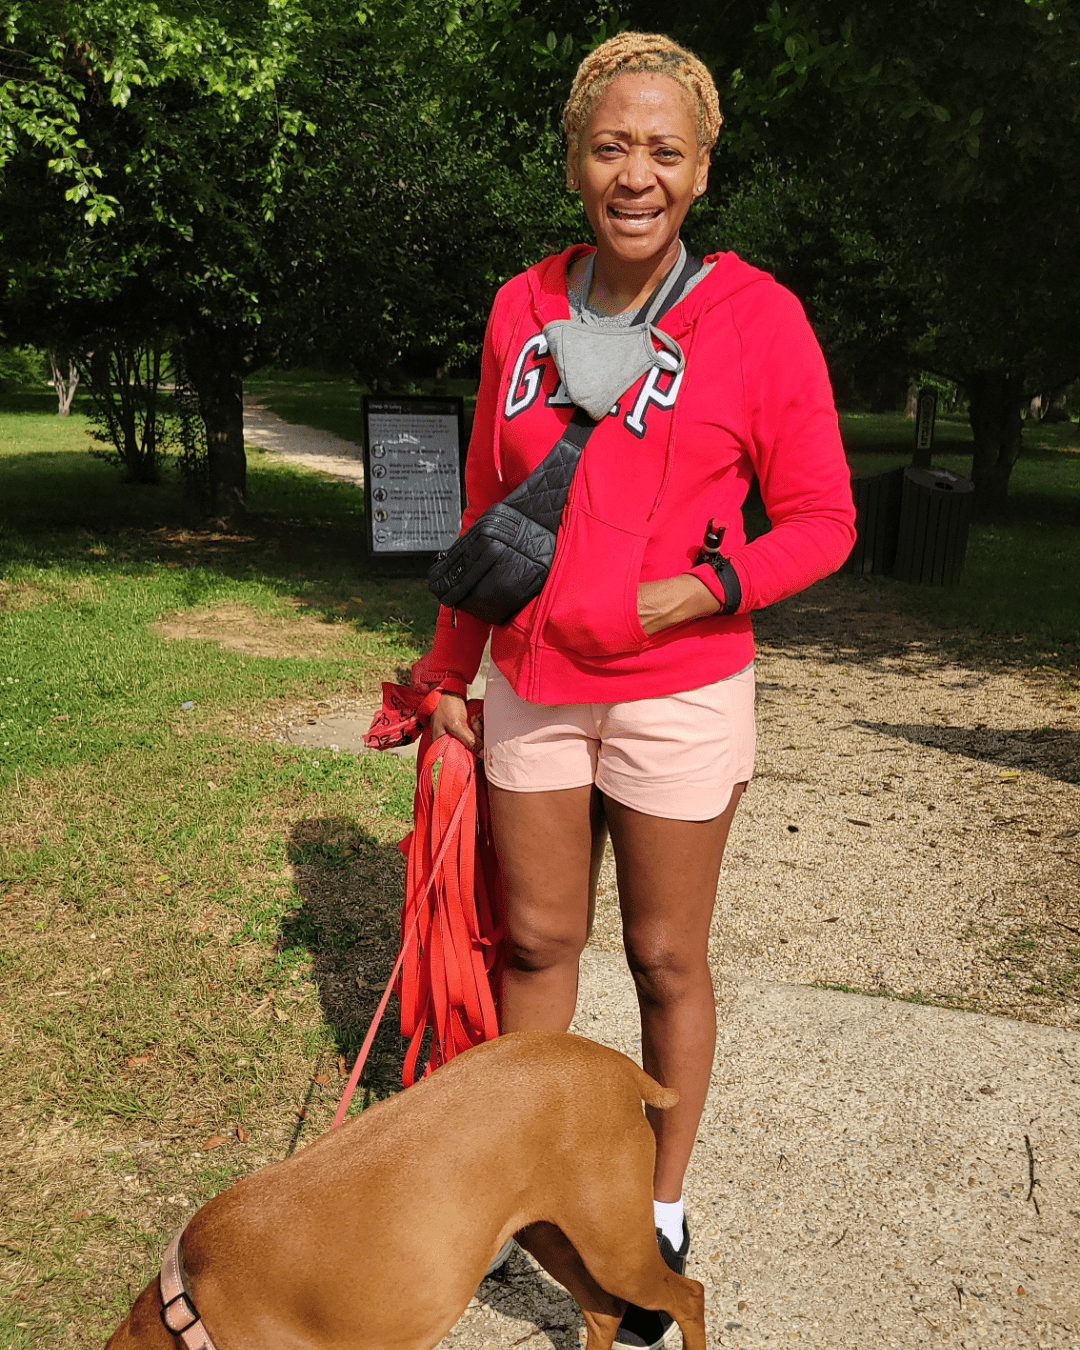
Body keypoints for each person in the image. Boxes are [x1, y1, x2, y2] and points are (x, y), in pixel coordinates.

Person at [429, 31, 856, 1348]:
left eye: (664, 150)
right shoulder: (517, 307)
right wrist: (450, 672)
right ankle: (532, 1191)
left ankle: (657, 1208)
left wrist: (707, 586)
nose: (636, 173)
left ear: (702, 168)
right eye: (612, 145)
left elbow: (824, 520)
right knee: (537, 946)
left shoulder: (758, 318)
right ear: (574, 159)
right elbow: (489, 505)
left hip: (679, 693)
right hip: (535, 683)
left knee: (666, 956)